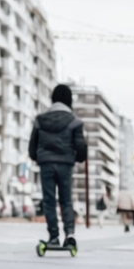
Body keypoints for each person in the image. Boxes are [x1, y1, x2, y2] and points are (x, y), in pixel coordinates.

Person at [29, 84, 87, 248]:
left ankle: (53, 236)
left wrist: (38, 158)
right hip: (65, 164)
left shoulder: (40, 120)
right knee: (66, 200)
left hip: (46, 164)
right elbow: (81, 146)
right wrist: (77, 158)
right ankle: (69, 234)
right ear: (69, 101)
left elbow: (32, 146)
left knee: (49, 201)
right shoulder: (74, 122)